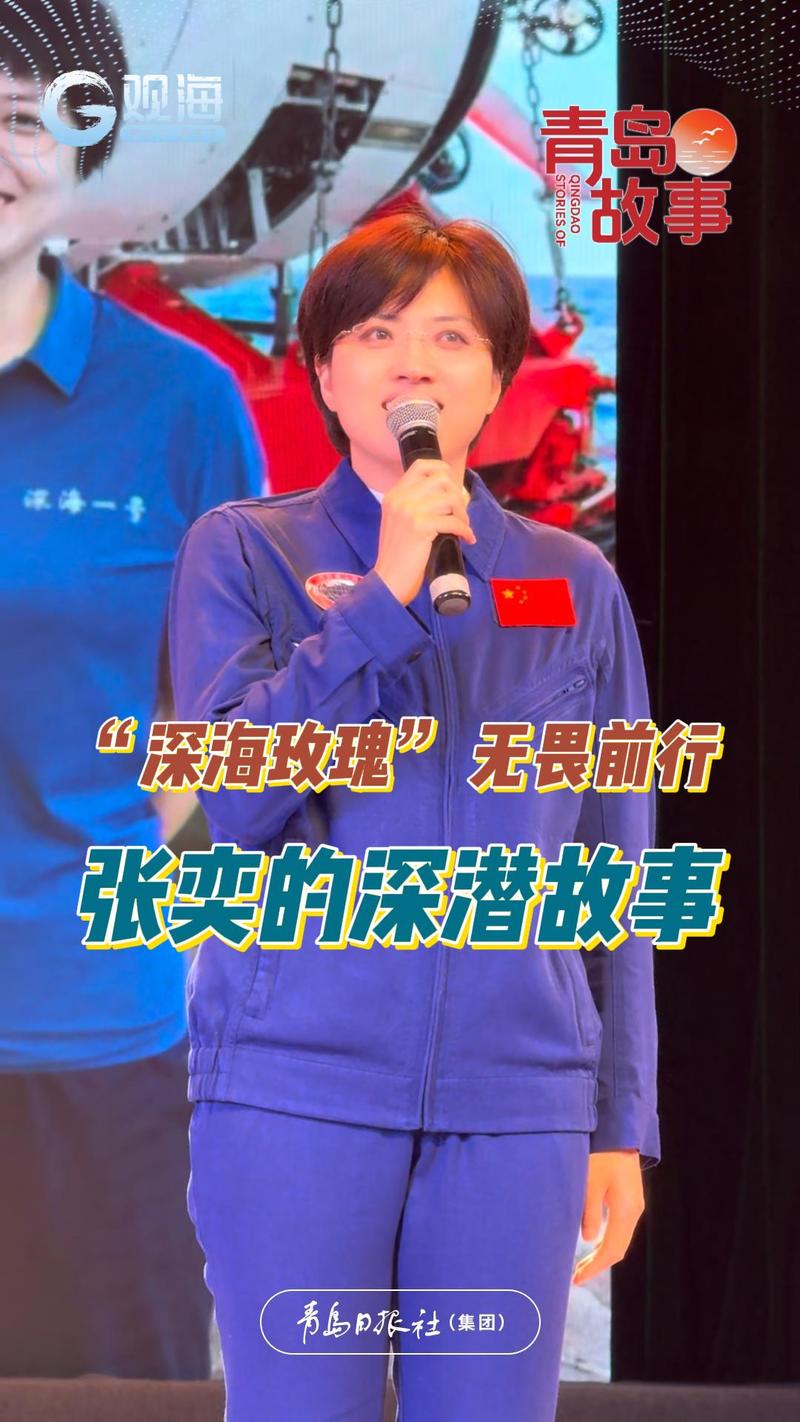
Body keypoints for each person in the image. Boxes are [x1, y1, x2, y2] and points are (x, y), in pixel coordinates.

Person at [168, 209, 660, 1421]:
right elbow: (235, 795)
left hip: (517, 1102)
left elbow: (614, 865)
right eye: (376, 333)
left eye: (449, 337)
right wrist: (383, 595)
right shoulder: (243, 552)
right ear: (324, 369)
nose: (412, 366)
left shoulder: (574, 581)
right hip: (292, 1086)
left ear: (496, 376)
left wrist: (617, 1120)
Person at [0, 0, 267, 1380]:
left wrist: (107, 855)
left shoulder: (179, 404)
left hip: (92, 1034)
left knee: (112, 1392)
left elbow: (221, 714)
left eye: (21, 116)